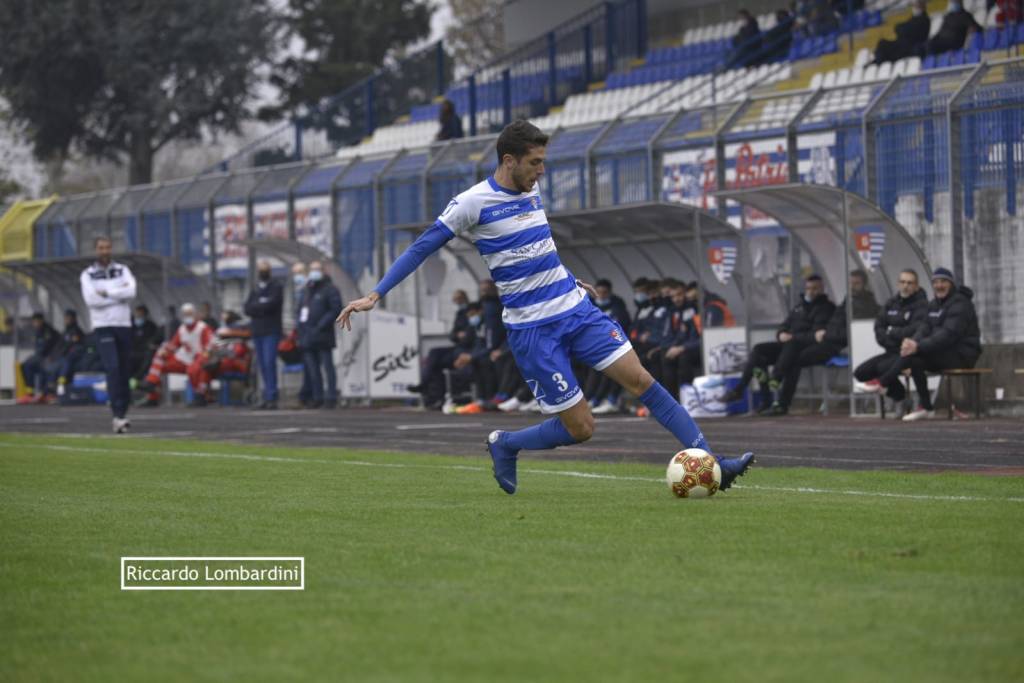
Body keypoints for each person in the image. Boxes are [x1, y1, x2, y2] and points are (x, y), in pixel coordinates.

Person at [336, 119, 754, 495]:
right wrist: (376, 293)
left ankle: (715, 464)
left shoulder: (531, 191)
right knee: (582, 428)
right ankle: (507, 444)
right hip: (533, 332)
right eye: (535, 162)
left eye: (542, 162)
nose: (542, 171)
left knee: (642, 380)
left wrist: (570, 279)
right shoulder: (472, 203)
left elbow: (538, 246)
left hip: (576, 312)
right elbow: (423, 245)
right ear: (508, 160)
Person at [872, 268, 981, 421]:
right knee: (915, 359)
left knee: (916, 353)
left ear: (951, 284)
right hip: (943, 352)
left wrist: (918, 346)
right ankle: (926, 407)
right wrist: (913, 342)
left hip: (963, 354)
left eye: (943, 282)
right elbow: (923, 329)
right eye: (936, 282)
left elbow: (948, 335)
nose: (939, 285)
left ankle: (883, 382)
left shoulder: (960, 304)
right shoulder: (933, 304)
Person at [767, 270, 879, 416]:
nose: (852, 286)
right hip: (826, 341)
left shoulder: (865, 303)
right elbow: (834, 323)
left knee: (793, 359)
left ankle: (782, 400)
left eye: (856, 283)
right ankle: (780, 399)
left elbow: (848, 331)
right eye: (850, 283)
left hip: (834, 345)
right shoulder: (847, 300)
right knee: (791, 354)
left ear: (864, 285)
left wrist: (827, 334)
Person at [723, 274, 835, 412]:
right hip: (788, 347)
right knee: (758, 352)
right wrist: (781, 334)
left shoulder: (826, 308)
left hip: (807, 348)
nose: (811, 292)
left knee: (793, 359)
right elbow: (785, 324)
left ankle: (780, 397)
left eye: (815, 288)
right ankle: (744, 390)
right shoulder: (798, 307)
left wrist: (793, 336)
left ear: (822, 289)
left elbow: (817, 335)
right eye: (808, 288)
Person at [79, 236, 136, 433]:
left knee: (124, 371)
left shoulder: (123, 270)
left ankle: (123, 412)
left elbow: (131, 292)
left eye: (107, 247)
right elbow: (91, 300)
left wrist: (106, 292)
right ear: (96, 250)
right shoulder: (88, 274)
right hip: (103, 325)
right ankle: (117, 415)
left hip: (123, 324)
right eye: (101, 247)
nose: (104, 251)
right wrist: (117, 292)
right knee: (112, 368)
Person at [855, 268, 929, 410]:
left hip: (908, 354)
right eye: (902, 282)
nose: (905, 286)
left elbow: (915, 329)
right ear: (898, 284)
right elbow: (879, 327)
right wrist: (890, 339)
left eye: (909, 282)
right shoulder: (891, 303)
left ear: (916, 286)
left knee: (882, 367)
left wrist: (892, 332)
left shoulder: (922, 305)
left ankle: (901, 399)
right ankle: (899, 395)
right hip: (891, 350)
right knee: (861, 372)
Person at [137, 303, 214, 406]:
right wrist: (165, 351)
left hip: (200, 358)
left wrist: (203, 357)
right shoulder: (182, 329)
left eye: (190, 313)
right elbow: (174, 345)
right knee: (159, 358)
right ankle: (151, 388)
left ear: (195, 314)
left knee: (195, 369)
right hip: (185, 359)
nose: (188, 316)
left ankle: (200, 395)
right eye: (185, 314)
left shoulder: (202, 327)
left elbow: (210, 344)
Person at [408, 289, 472, 409]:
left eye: (459, 298)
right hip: (458, 347)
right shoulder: (459, 313)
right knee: (434, 355)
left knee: (437, 363)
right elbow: (453, 334)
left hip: (467, 349)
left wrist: (464, 335)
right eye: (455, 299)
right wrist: (458, 335)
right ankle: (430, 391)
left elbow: (471, 335)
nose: (457, 301)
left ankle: (426, 386)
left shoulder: (472, 311)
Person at [298, 260, 342, 409]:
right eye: (311, 269)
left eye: (316, 269)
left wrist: (321, 325)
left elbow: (335, 309)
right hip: (308, 336)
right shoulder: (308, 290)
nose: (313, 272)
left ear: (323, 271)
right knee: (313, 369)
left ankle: (331, 397)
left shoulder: (330, 289)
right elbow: (301, 311)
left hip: (323, 335)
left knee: (327, 367)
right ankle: (317, 397)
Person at [187, 311, 252, 407]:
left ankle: (202, 395)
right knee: (202, 366)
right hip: (221, 363)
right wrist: (215, 353)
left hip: (234, 363)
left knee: (206, 366)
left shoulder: (241, 333)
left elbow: (237, 353)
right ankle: (202, 395)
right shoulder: (223, 333)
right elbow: (214, 347)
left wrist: (220, 354)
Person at [244, 259, 284, 410]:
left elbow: (272, 305)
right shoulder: (255, 289)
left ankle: (272, 396)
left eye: (265, 269)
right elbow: (247, 308)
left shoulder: (276, 287)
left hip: (271, 331)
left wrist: (258, 307)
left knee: (269, 363)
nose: (263, 272)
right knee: (262, 365)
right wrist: (261, 306)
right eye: (261, 269)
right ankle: (266, 396)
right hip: (258, 331)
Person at [657, 281, 703, 403]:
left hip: (697, 347)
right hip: (683, 347)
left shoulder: (694, 310)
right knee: (663, 355)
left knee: (683, 357)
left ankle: (686, 398)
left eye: (679, 295)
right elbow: (673, 335)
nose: (676, 299)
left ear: (685, 294)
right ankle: (671, 400)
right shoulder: (673, 312)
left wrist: (682, 347)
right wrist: (671, 347)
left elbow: (700, 337)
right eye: (673, 296)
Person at [16, 312, 60, 404]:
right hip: (41, 358)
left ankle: (44, 394)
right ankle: (30, 393)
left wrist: (37, 356)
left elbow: (46, 349)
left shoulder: (48, 331)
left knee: (30, 365)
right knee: (25, 365)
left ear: (41, 321)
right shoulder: (39, 331)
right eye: (34, 322)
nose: (35, 324)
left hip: (49, 358)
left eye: (36, 321)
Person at [873, 0, 930, 64]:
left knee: (885, 47)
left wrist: (903, 30)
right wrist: (903, 30)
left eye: (917, 6)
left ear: (923, 7)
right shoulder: (913, 18)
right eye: (915, 6)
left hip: (910, 46)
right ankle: (877, 62)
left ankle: (878, 62)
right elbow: (899, 28)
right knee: (882, 43)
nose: (914, 8)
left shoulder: (924, 20)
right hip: (901, 43)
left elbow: (907, 31)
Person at [54, 309, 87, 398]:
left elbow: (75, 345)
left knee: (66, 363)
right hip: (63, 357)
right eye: (65, 318)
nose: (66, 320)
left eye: (68, 318)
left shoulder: (76, 331)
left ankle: (61, 385)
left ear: (73, 319)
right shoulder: (65, 331)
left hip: (74, 358)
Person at [129, 304, 163, 382]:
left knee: (148, 359)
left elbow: (155, 340)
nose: (138, 318)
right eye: (137, 315)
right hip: (132, 352)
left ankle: (137, 379)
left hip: (145, 352)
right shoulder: (130, 326)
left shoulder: (151, 327)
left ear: (145, 316)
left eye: (140, 316)